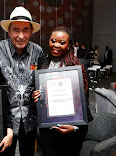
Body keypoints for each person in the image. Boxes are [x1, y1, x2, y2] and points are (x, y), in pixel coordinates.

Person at [32, 26, 92, 156]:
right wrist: (35, 95)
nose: (56, 45)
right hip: (48, 127)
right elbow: (37, 91)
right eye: (53, 41)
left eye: (62, 42)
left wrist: (75, 127)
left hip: (72, 128)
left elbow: (84, 101)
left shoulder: (78, 66)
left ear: (69, 45)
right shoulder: (42, 63)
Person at [0, 6, 43, 156]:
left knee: (28, 152)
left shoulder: (38, 51)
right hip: (5, 119)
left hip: (30, 119)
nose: (21, 36)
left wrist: (40, 91)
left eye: (25, 30)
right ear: (9, 31)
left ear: (31, 31)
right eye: (16, 30)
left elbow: (41, 79)